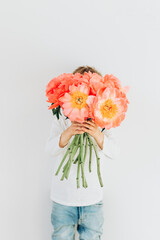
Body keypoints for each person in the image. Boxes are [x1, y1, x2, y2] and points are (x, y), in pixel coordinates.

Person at [45, 65, 120, 240]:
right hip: (63, 199)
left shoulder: (103, 122)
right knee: (61, 236)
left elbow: (115, 151)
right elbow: (49, 149)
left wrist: (97, 134)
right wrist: (68, 133)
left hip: (92, 199)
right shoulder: (63, 120)